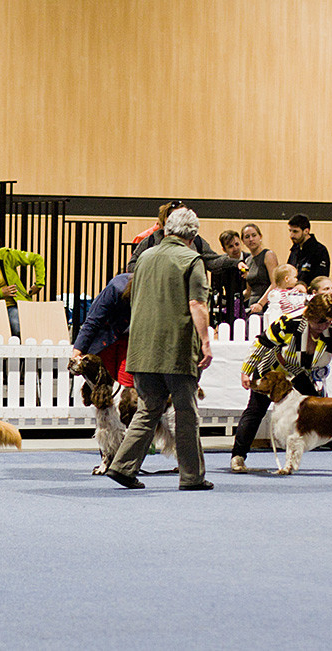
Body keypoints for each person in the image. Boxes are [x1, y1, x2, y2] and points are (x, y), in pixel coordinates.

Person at [105, 208, 213, 491]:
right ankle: (192, 477)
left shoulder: (143, 258)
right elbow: (197, 304)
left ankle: (122, 467)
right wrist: (205, 342)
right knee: (186, 413)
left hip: (142, 348)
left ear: (165, 230)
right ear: (193, 236)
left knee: (147, 409)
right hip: (176, 350)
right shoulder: (192, 260)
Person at [230, 292, 332, 474]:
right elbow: (262, 344)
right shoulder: (289, 322)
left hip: (300, 374)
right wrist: (246, 370)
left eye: (327, 322)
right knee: (256, 410)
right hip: (272, 371)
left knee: (325, 412)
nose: (323, 327)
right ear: (309, 315)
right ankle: (238, 456)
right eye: (319, 322)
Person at [0, 222, 45, 338]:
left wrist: (39, 284)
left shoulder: (6, 255)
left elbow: (37, 258)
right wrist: (0, 292)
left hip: (11, 305)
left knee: (17, 328)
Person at [126, 203, 241, 274]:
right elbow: (132, 266)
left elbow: (212, 261)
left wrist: (235, 263)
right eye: (175, 217)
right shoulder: (151, 240)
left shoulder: (196, 240)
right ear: (165, 220)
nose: (180, 220)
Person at [71, 272, 134, 389]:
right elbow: (93, 320)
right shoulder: (117, 286)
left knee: (128, 387)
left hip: (131, 341)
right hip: (105, 339)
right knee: (103, 386)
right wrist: (78, 350)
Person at [211, 230, 248, 326]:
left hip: (249, 305)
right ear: (224, 249)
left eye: (237, 244)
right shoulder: (220, 264)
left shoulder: (249, 260)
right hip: (230, 309)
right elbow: (216, 289)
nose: (235, 248)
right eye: (230, 246)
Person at [241, 223, 278, 315]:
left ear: (260, 236)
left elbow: (275, 283)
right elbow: (248, 291)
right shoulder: (247, 260)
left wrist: (260, 304)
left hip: (267, 306)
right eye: (247, 237)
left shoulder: (268, 255)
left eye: (254, 235)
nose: (251, 239)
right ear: (243, 241)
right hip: (253, 306)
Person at [287, 213, 330, 286]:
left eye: (295, 231)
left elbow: (321, 280)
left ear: (306, 231)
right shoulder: (295, 249)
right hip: (293, 291)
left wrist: (303, 286)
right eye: (290, 231)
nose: (291, 235)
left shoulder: (319, 250)